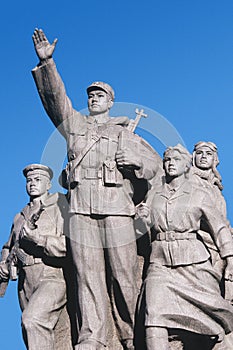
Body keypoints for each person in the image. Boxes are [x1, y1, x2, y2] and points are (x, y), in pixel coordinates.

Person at [31, 28, 160, 350]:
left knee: (123, 275)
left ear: (111, 102)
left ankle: (132, 334)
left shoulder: (126, 133)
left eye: (99, 95)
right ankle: (93, 338)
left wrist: (136, 162)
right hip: (81, 210)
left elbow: (155, 169)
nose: (93, 98)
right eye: (90, 95)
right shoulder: (76, 127)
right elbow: (54, 100)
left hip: (117, 207)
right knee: (87, 278)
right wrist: (48, 65)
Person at [137, 144, 233, 350]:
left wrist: (230, 258)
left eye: (176, 160)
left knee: (212, 319)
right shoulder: (154, 193)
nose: (171, 163)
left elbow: (220, 228)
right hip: (160, 263)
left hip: (194, 264)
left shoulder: (199, 194)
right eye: (167, 160)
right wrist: (142, 219)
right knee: (154, 314)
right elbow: (144, 228)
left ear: (186, 165)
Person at [0, 164, 72, 350]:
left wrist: (39, 240)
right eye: (29, 180)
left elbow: (70, 245)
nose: (32, 184)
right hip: (25, 282)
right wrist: (3, 264)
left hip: (52, 275)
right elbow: (8, 247)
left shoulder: (60, 207)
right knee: (31, 332)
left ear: (48, 185)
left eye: (38, 180)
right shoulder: (20, 217)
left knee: (32, 320)